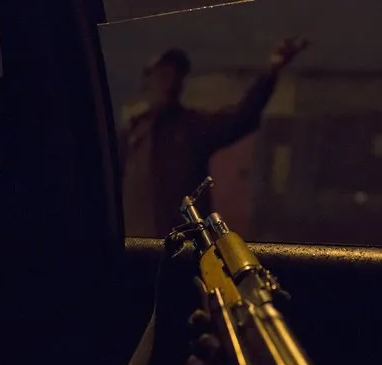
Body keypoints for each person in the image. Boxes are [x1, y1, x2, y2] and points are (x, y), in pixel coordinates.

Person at [120, 37, 308, 237]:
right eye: (164, 74)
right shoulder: (132, 133)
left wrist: (272, 72)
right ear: (148, 80)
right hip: (137, 250)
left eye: (177, 75)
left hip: (184, 249)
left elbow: (241, 117)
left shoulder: (191, 127)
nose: (171, 82)